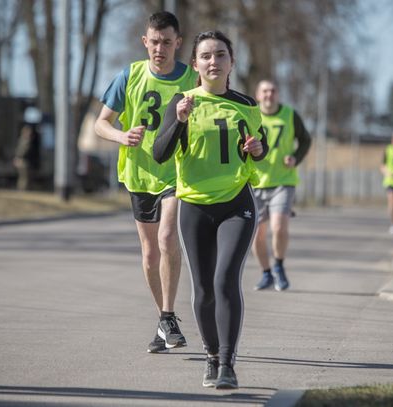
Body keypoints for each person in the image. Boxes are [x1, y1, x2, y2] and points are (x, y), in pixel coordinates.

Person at [153, 30, 268, 390]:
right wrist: (179, 121)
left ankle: (228, 364)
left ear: (232, 62)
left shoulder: (247, 105)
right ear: (196, 64)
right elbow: (160, 153)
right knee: (203, 287)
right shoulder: (181, 102)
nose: (213, 61)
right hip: (195, 206)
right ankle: (211, 357)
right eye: (205, 56)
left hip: (236, 202)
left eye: (220, 55)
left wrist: (256, 149)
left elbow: (258, 150)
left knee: (224, 280)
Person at [94, 11, 197, 353]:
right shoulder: (130, 75)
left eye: (167, 42)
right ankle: (163, 320)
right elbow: (100, 124)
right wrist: (122, 136)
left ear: (177, 44)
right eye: (154, 42)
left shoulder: (190, 81)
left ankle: (168, 316)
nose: (160, 48)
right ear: (145, 42)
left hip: (175, 173)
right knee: (150, 252)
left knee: (168, 236)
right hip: (139, 175)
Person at [251, 79, 311, 291]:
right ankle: (266, 273)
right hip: (255, 183)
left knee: (279, 227)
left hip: (283, 182)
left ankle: (278, 265)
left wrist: (295, 157)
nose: (269, 95)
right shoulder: (250, 114)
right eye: (264, 91)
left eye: (273, 91)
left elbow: (305, 140)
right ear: (258, 95)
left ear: (278, 94)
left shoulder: (290, 115)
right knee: (256, 235)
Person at [13, 124, 37, 191]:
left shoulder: (24, 139)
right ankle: (22, 190)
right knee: (24, 177)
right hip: (23, 160)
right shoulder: (25, 140)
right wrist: (18, 158)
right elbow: (22, 151)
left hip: (23, 160)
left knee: (24, 177)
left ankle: (23, 189)